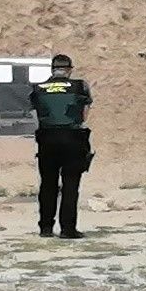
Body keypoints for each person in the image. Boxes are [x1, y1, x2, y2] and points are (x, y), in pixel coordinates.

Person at [30, 54, 93, 239]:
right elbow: (84, 114)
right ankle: (68, 229)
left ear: (52, 69)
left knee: (48, 185)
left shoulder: (38, 89)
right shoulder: (80, 86)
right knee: (70, 186)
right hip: (73, 138)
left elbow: (36, 115)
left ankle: (46, 228)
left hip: (47, 140)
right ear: (69, 69)